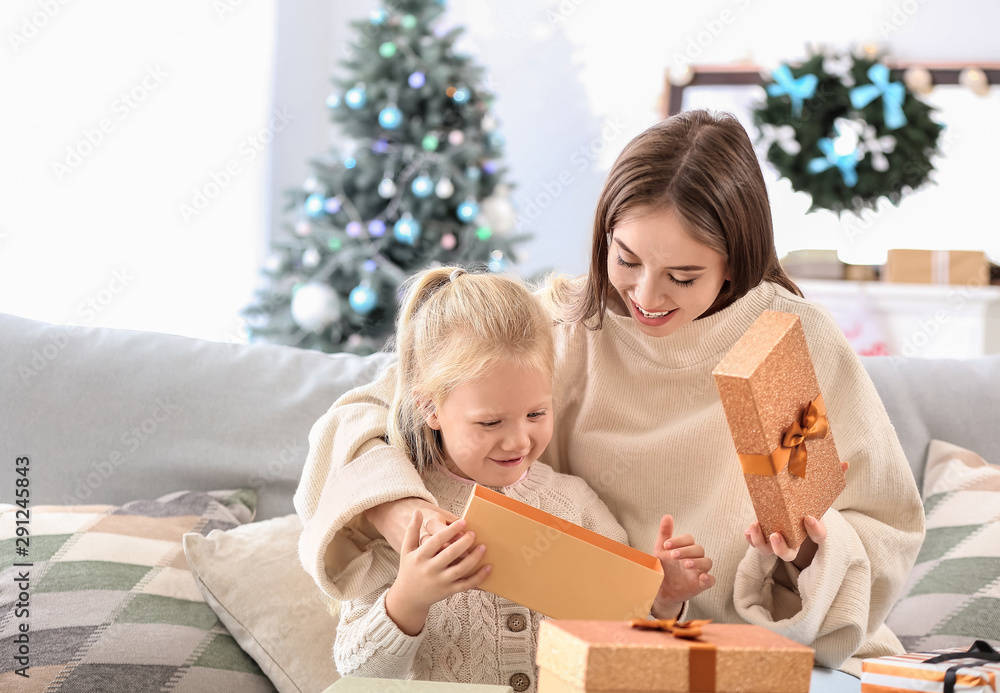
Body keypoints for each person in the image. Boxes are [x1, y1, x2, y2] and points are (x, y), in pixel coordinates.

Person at [295, 110, 925, 688]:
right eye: (625, 259)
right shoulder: (568, 325)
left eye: (683, 276)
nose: (645, 296)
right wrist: (410, 514)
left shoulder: (786, 341)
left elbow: (883, 526)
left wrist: (807, 551)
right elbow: (367, 414)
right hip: (621, 661)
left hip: (770, 660)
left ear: (735, 263)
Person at [327, 266, 714, 686]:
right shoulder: (400, 512)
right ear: (430, 409)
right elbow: (354, 672)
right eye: (490, 423)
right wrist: (408, 599)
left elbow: (630, 656)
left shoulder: (575, 503)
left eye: (536, 414)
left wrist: (663, 604)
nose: (518, 442)